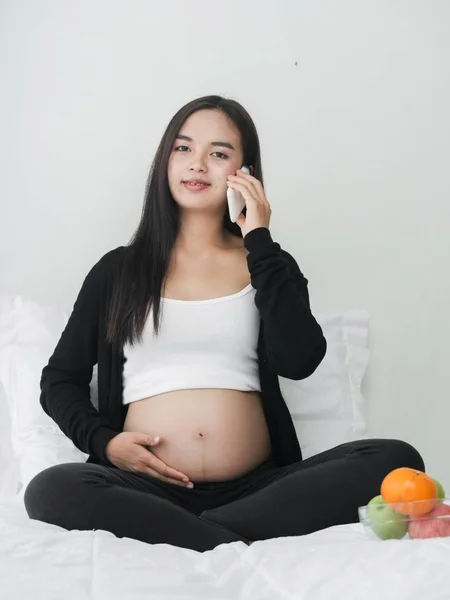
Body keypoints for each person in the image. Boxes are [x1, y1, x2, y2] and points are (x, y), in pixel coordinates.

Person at [24, 95, 425, 552]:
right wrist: (106, 443)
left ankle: (193, 533)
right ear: (164, 161)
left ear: (245, 173)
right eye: (182, 148)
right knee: (50, 488)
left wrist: (258, 237)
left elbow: (299, 361)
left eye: (218, 153)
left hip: (259, 490)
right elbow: (60, 380)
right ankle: (227, 536)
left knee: (396, 460)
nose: (197, 165)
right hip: (146, 490)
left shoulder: (269, 264)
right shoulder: (118, 271)